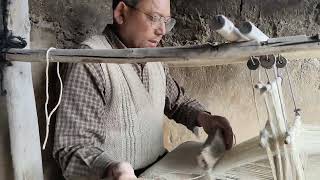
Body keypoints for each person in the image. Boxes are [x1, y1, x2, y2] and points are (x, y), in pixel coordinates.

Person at [53, 0, 234, 179]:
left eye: (166, 21)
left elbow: (177, 101)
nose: (162, 30)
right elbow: (73, 148)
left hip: (159, 170)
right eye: (154, 18)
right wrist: (110, 170)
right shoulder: (91, 62)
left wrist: (205, 118)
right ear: (121, 13)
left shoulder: (154, 58)